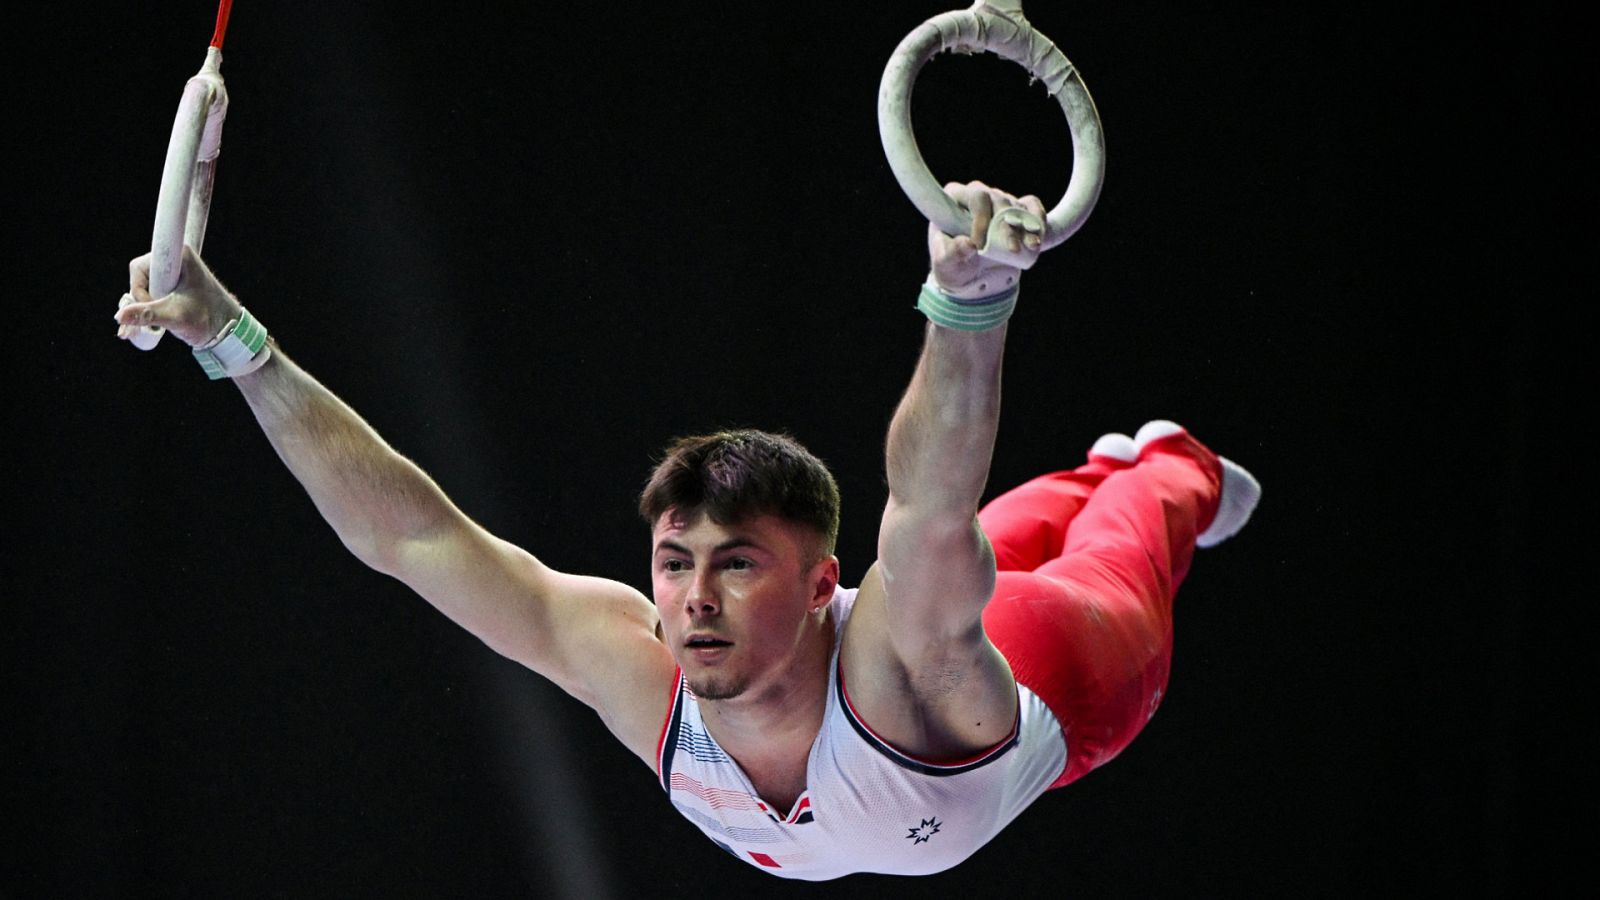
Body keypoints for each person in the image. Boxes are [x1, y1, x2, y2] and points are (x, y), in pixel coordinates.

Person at [113, 182, 1259, 880]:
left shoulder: (897, 651)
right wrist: (233, 344)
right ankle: (1098, 468)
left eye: (737, 565)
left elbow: (927, 499)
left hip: (1055, 676)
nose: (693, 598)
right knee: (1004, 527)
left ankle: (1167, 464)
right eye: (674, 563)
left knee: (1116, 530)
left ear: (821, 585)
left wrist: (969, 300)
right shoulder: (640, 666)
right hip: (947, 627)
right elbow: (413, 539)